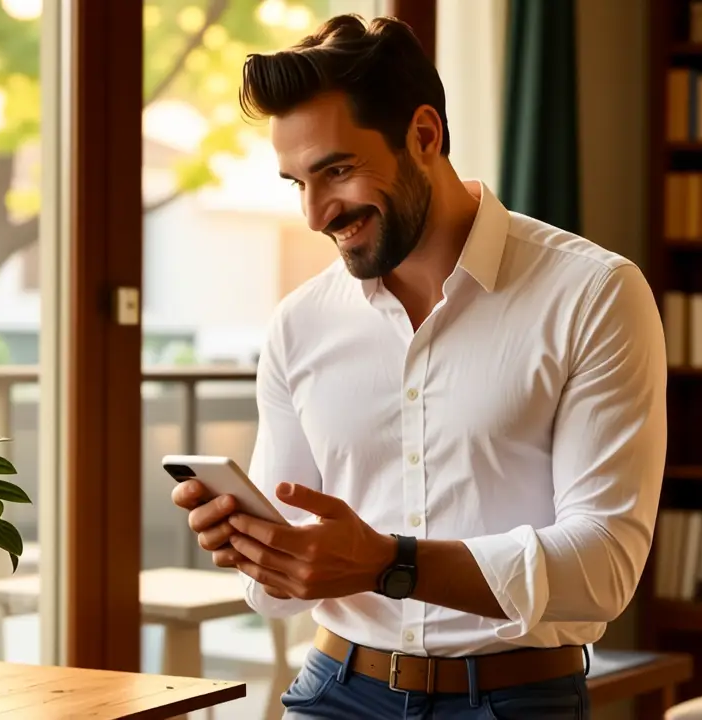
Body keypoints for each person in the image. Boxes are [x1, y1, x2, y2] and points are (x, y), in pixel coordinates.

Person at [170, 13, 666, 720]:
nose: (315, 214)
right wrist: (256, 545)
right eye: (296, 183)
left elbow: (603, 567)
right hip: (335, 689)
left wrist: (388, 561)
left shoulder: (593, 296)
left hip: (516, 702)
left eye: (337, 171)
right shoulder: (300, 324)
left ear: (424, 135)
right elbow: (276, 595)